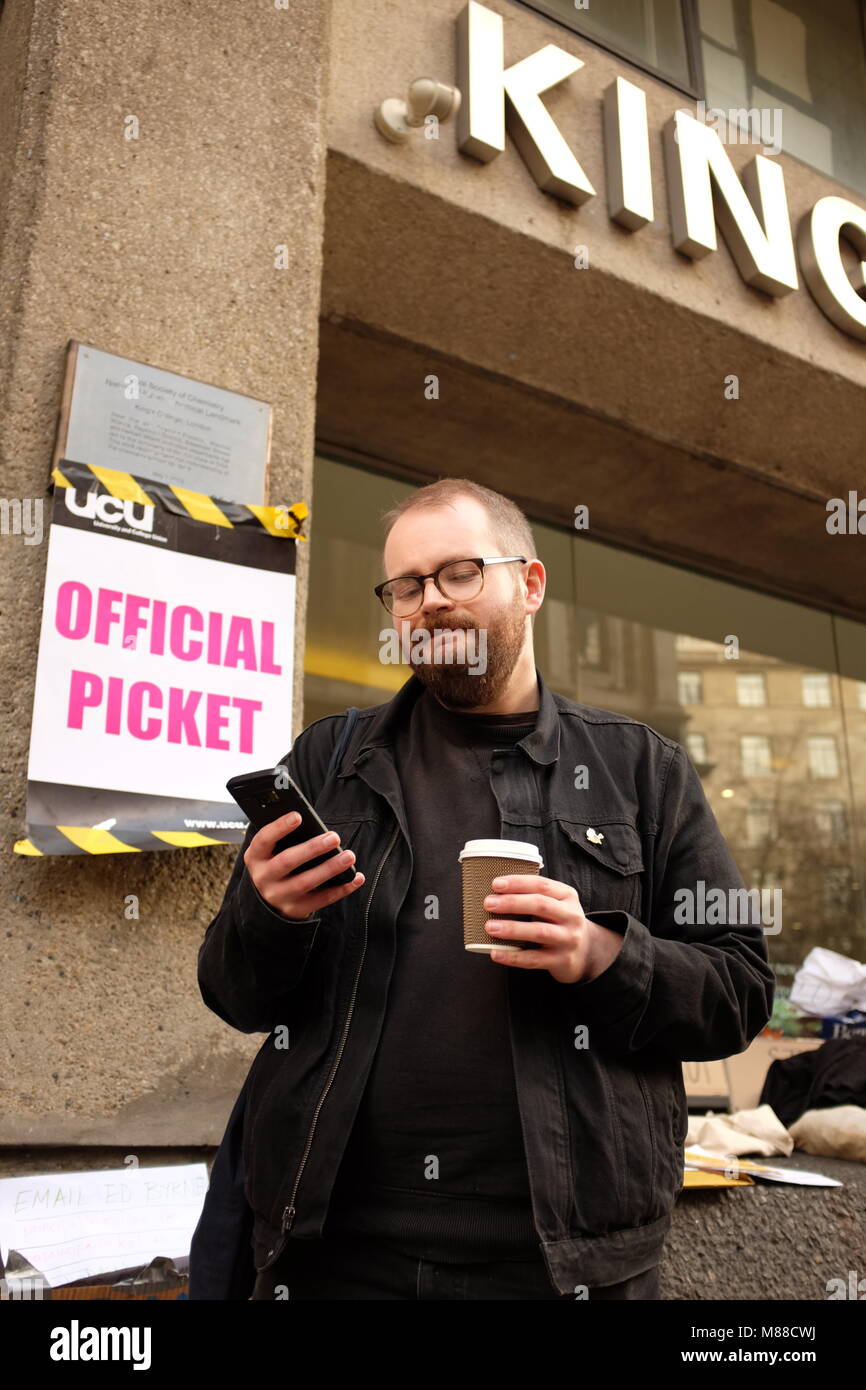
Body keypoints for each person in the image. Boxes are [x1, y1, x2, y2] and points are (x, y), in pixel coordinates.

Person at [197, 477, 774, 1301]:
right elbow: (234, 995)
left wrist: (603, 953)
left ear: (529, 585)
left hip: (563, 1266)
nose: (429, 602)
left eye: (459, 573)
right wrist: (268, 913)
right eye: (406, 585)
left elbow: (743, 988)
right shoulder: (330, 764)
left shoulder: (641, 771)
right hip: (333, 1251)